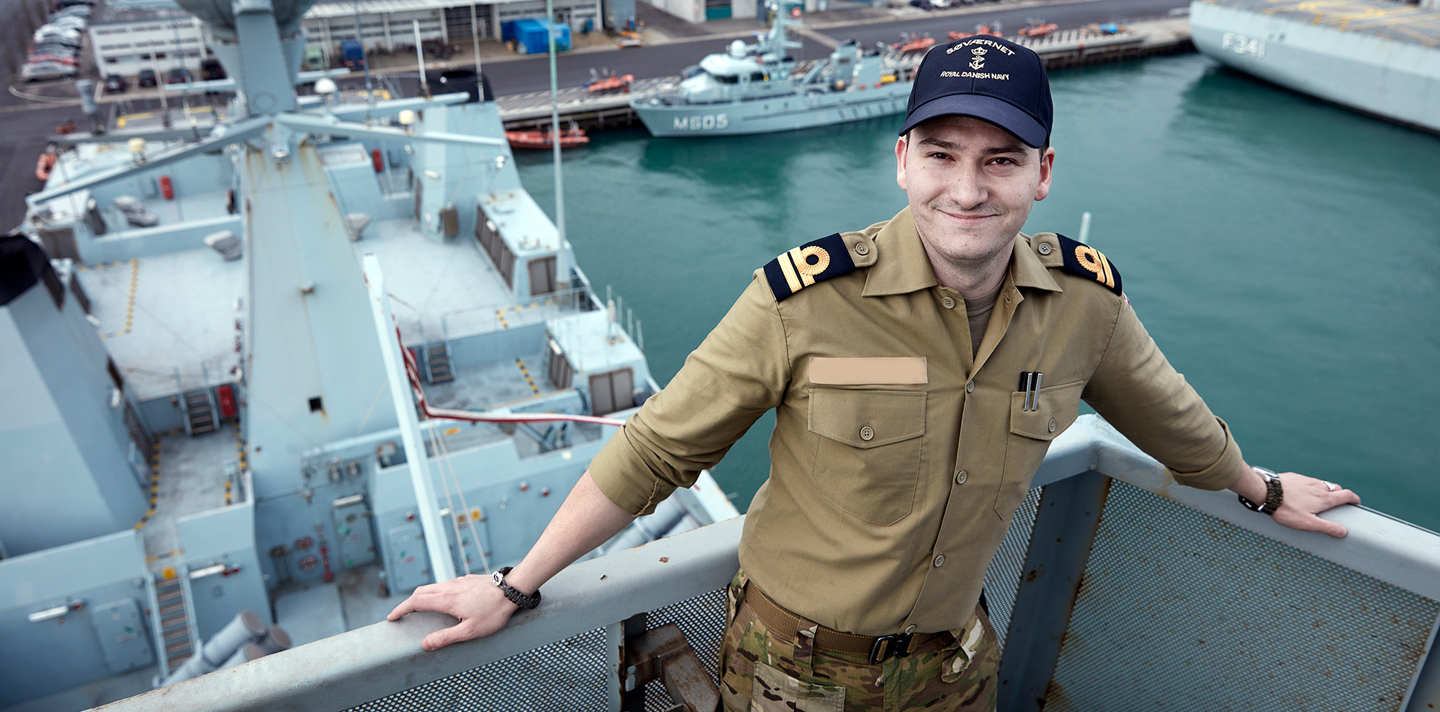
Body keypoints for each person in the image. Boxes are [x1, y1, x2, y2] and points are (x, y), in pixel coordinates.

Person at [388, 35, 1361, 710]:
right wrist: (514, 588)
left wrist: (1260, 488)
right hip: (791, 671)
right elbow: (655, 451)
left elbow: (1169, 415)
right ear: (902, 161)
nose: (968, 189)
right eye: (942, 154)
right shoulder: (803, 299)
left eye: (1002, 159)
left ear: (1044, 173)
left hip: (955, 662)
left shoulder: (1085, 304)